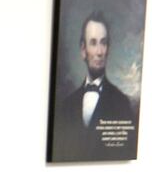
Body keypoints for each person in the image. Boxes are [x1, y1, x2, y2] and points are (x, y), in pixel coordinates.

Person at [51, 12, 139, 161]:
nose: (99, 52)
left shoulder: (122, 103)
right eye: (93, 42)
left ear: (108, 48)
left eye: (103, 43)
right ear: (83, 50)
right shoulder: (66, 105)